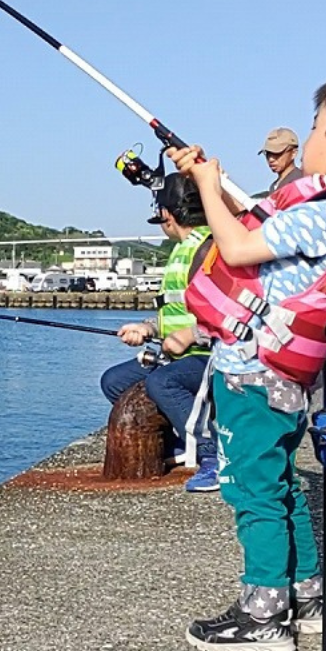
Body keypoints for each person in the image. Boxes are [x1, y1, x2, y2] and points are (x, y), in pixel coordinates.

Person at [164, 73, 326, 651]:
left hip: (252, 373)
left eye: (315, 126)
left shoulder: (325, 209)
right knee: (281, 485)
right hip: (285, 376)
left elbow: (235, 248)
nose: (309, 136)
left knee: (252, 491)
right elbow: (259, 221)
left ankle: (263, 613)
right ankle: (306, 593)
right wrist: (213, 179)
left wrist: (206, 185)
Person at [99, 174, 219, 491]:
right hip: (179, 356)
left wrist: (192, 335)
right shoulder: (182, 250)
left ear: (167, 214)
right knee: (114, 381)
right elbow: (176, 312)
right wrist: (147, 328)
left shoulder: (208, 251)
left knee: (162, 381)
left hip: (212, 357)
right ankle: (178, 445)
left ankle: (213, 457)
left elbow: (228, 314)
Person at [259, 127, 304, 194]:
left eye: (277, 153)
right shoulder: (274, 186)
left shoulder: (301, 182)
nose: (271, 159)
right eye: (268, 154)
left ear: (293, 153)